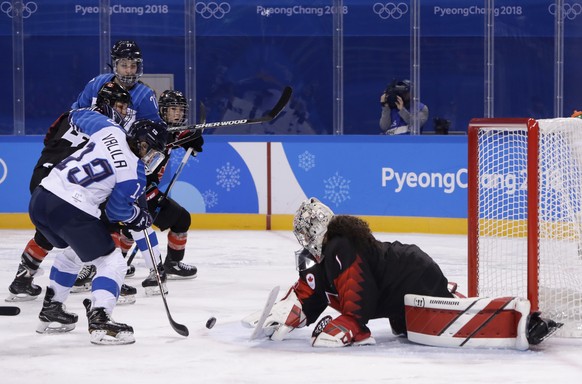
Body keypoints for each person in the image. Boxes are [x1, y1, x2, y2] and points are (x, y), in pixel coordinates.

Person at [243, 197, 562, 350]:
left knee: (437, 326)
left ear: (315, 229)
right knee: (408, 330)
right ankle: (451, 298)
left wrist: (352, 324)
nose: (301, 237)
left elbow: (359, 296)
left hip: (413, 275)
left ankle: (525, 320)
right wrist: (288, 315)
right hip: (397, 293)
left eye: (303, 231)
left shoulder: (341, 246)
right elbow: (310, 294)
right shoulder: (317, 256)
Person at [29, 117, 167, 345]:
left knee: (74, 252)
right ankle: (100, 319)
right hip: (71, 209)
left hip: (41, 199)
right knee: (112, 261)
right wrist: (138, 216)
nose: (152, 158)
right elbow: (116, 211)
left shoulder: (110, 129)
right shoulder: (133, 173)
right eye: (152, 151)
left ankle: (52, 311)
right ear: (143, 143)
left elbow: (79, 115)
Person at [5, 81, 134, 303]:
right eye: (120, 106)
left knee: (50, 231)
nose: (123, 112)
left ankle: (23, 278)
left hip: (44, 176)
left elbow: (50, 137)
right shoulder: (107, 127)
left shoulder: (74, 114)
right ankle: (104, 278)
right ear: (107, 104)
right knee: (107, 220)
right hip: (68, 183)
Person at [71, 39, 168, 293]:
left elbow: (156, 130)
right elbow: (75, 113)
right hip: (97, 163)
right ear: (115, 65)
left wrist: (148, 136)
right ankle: (91, 265)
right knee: (88, 216)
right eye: (124, 65)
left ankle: (157, 271)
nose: (129, 70)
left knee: (138, 217)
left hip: (126, 164)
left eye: (133, 65)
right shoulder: (96, 84)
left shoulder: (144, 95)